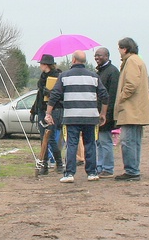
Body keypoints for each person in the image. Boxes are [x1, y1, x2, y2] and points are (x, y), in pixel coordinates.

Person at [45, 50, 108, 183]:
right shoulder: (94, 76)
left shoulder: (64, 76)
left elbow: (55, 95)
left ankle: (69, 173)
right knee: (90, 144)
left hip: (71, 117)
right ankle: (92, 172)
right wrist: (103, 113)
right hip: (90, 117)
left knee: (71, 144)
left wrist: (48, 113)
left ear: (73, 60)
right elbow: (105, 96)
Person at [113, 37, 149, 180]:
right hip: (137, 110)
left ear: (124, 49)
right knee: (134, 141)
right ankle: (133, 169)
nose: (119, 51)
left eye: (119, 48)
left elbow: (131, 84)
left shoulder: (131, 62)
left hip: (131, 109)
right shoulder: (137, 60)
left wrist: (121, 98)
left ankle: (131, 171)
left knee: (128, 141)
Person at [30, 54, 64, 174]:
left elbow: (60, 96)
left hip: (52, 110)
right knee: (42, 138)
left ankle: (59, 163)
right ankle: (44, 165)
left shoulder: (57, 77)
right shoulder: (42, 77)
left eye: (41, 64)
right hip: (41, 109)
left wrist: (50, 93)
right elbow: (39, 95)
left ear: (46, 65)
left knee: (50, 137)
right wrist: (33, 110)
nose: (40, 66)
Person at [94, 47, 120, 178]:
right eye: (95, 55)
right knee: (99, 142)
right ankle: (100, 166)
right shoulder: (100, 72)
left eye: (99, 55)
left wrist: (107, 114)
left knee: (105, 142)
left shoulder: (112, 72)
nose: (97, 58)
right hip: (97, 112)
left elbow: (112, 95)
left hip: (106, 114)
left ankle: (108, 168)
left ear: (107, 56)